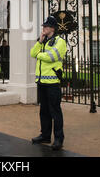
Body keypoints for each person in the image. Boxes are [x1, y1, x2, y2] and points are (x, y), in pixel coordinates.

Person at [30, 16, 67, 151]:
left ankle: (58, 139)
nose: (43, 28)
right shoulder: (43, 41)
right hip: (41, 82)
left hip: (52, 82)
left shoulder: (60, 41)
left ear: (53, 28)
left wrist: (39, 54)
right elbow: (32, 52)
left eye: (46, 26)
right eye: (43, 26)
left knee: (55, 111)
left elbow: (51, 57)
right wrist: (40, 42)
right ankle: (45, 135)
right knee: (44, 111)